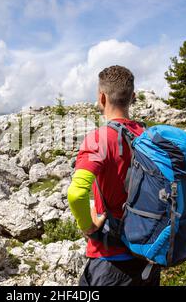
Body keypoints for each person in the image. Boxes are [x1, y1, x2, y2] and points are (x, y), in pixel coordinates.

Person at [67, 65, 161, 286]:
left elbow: (76, 193)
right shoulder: (150, 137)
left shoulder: (98, 139)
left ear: (101, 97)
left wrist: (87, 225)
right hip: (149, 254)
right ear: (133, 98)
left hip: (111, 259)